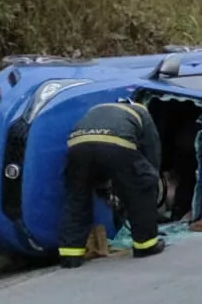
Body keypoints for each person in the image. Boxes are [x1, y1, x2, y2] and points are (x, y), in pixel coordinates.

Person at [57, 99, 164, 266]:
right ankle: (146, 244)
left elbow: (96, 157)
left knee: (77, 198)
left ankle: (70, 254)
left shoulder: (96, 107)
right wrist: (150, 178)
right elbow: (151, 151)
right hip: (117, 144)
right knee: (142, 187)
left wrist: (103, 185)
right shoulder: (142, 112)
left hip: (77, 146)